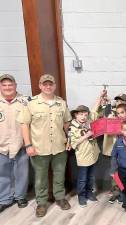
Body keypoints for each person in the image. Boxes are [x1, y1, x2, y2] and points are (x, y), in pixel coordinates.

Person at [18, 74, 72, 217]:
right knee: (40, 178)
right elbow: (24, 125)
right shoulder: (31, 103)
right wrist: (28, 145)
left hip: (60, 147)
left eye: (50, 84)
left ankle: (60, 197)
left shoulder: (61, 103)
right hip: (39, 148)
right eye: (45, 84)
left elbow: (67, 123)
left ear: (54, 86)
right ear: (40, 86)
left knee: (59, 175)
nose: (48, 87)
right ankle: (41, 202)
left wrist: (70, 140)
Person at [0, 74, 29, 212]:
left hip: (20, 143)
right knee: (2, 173)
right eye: (4, 85)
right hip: (1, 145)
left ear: (15, 85)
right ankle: (4, 198)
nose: (7, 87)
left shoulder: (25, 101)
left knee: (21, 172)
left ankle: (20, 196)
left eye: (10, 84)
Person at [69, 105, 100, 208]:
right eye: (81, 114)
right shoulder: (72, 127)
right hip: (83, 156)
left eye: (85, 115)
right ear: (76, 115)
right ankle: (81, 196)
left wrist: (100, 97)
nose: (83, 117)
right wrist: (86, 135)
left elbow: (95, 109)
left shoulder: (89, 123)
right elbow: (73, 143)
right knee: (82, 178)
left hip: (93, 153)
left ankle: (89, 192)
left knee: (91, 176)